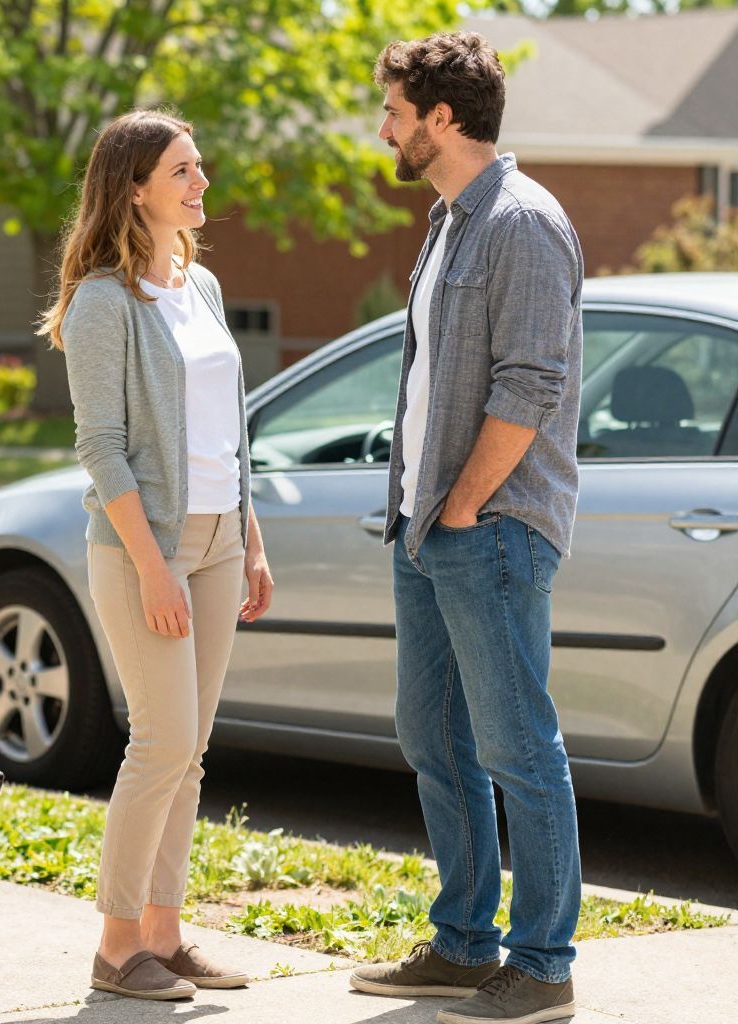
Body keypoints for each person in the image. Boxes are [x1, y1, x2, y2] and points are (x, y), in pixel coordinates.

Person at [349, 32, 584, 1024]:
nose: (384, 129)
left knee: (518, 746)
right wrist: (423, 508)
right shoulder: (452, 221)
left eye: (395, 111)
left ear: (442, 118)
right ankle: (462, 944)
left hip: (488, 526)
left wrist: (464, 503)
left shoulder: (521, 224)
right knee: (434, 736)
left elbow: (530, 386)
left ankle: (543, 965)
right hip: (427, 527)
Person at [40, 109, 273, 1002]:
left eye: (198, 166)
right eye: (182, 170)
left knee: (192, 751)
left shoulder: (200, 285)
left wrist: (250, 541)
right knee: (161, 741)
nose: (201, 182)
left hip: (219, 539)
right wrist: (151, 565)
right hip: (149, 546)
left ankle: (166, 937)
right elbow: (101, 448)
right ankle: (115, 947)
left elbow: (227, 431)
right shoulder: (104, 302)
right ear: (135, 189)